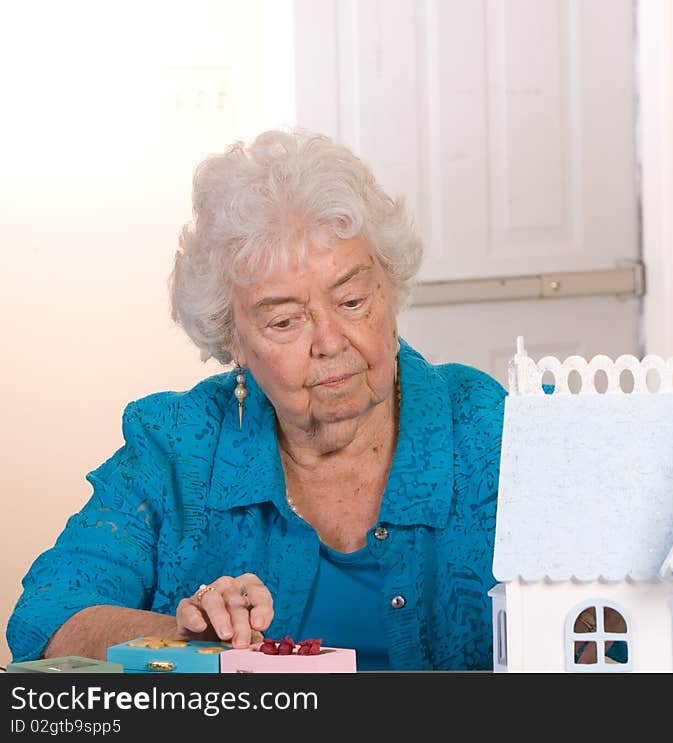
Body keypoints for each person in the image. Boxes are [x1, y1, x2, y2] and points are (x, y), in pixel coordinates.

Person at [6, 129, 507, 671]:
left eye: (353, 300)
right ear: (234, 339)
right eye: (285, 320)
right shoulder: (176, 446)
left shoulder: (488, 426)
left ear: (390, 288)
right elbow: (47, 619)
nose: (330, 342)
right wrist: (186, 638)